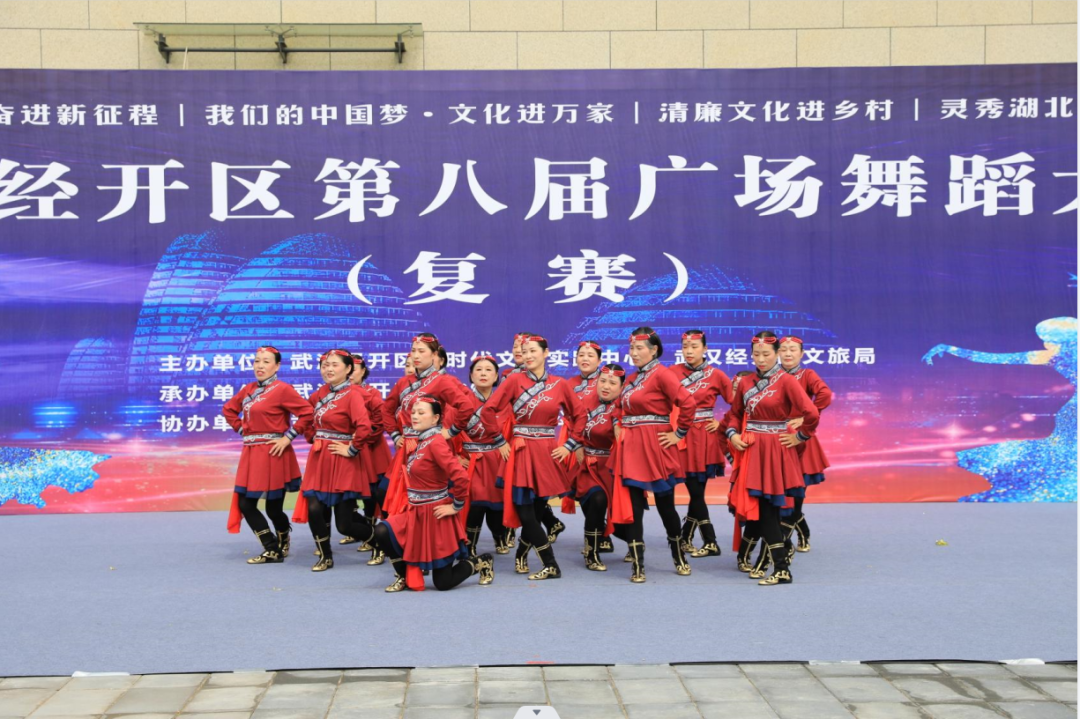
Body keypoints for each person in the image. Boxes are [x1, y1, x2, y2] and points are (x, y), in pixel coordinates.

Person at [479, 335, 586, 580]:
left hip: (547, 452)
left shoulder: (559, 384)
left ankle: (521, 554)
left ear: (546, 353)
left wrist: (569, 445)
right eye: (524, 351)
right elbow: (488, 411)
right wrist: (499, 441)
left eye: (533, 351)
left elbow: (580, 415)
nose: (527, 356)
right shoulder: (514, 380)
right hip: (521, 452)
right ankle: (551, 563)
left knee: (536, 513)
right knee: (526, 513)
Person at [724, 332, 820, 586]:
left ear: (776, 354)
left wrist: (800, 436)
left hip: (775, 449)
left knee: (769, 510)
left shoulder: (787, 381)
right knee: (764, 511)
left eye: (766, 354)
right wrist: (733, 434)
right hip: (752, 450)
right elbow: (734, 414)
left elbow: (811, 413)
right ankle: (781, 563)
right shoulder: (746, 382)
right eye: (756, 354)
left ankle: (781, 566)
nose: (761, 359)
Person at [372, 397, 494, 591]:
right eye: (413, 412)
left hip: (436, 515)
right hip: (415, 512)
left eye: (421, 413)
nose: (415, 416)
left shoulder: (436, 442)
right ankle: (403, 576)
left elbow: (461, 477)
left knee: (443, 583)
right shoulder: (422, 440)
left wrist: (456, 506)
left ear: (435, 418)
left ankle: (482, 562)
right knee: (383, 531)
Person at [613, 327, 696, 583]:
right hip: (632, 448)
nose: (634, 353)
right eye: (632, 348)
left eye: (639, 348)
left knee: (665, 505)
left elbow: (688, 403)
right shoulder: (632, 378)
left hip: (656, 446)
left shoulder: (663, 374)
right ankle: (638, 564)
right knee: (634, 507)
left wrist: (679, 433)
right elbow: (617, 407)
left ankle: (678, 554)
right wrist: (617, 424)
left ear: (654, 350)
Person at [223, 346, 314, 564]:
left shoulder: (283, 389)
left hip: (273, 453)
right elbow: (228, 409)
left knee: (273, 508)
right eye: (257, 361)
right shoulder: (248, 389)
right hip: (251, 453)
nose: (260, 366)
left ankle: (283, 538)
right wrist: (242, 429)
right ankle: (272, 547)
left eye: (266, 361)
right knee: (246, 503)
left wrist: (288, 437)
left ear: (277, 366)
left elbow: (307, 412)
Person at [296, 350, 377, 571]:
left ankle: (379, 541)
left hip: (342, 461)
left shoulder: (353, 395)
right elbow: (306, 418)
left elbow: (364, 427)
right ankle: (325, 556)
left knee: (344, 524)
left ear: (348, 369)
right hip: (320, 458)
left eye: (334, 365)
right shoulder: (319, 394)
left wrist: (352, 449)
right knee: (314, 508)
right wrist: (312, 437)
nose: (328, 369)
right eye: (325, 365)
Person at [673, 330, 733, 559]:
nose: (689, 351)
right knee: (695, 491)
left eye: (694, 346)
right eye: (685, 346)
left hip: (704, 438)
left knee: (696, 491)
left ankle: (709, 541)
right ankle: (689, 536)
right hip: (681, 436)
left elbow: (739, 404)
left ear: (705, 349)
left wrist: (722, 424)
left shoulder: (716, 375)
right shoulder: (671, 372)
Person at [778, 336, 832, 554]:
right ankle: (802, 532)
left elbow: (825, 394)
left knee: (797, 493)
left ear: (801, 354)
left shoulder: (807, 375)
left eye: (793, 349)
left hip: (800, 439)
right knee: (779, 494)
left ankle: (783, 543)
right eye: (783, 349)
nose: (788, 353)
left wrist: (808, 415)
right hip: (775, 439)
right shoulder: (771, 375)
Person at [571, 363, 625, 571]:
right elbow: (574, 427)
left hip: (613, 467)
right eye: (602, 381)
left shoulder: (624, 407)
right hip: (587, 464)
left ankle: (634, 544)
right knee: (596, 500)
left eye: (612, 383)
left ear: (621, 387)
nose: (606, 386)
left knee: (622, 517)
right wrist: (577, 445)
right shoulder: (584, 402)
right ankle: (591, 552)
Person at [345, 353, 394, 565]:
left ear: (363, 371)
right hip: (348, 449)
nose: (350, 373)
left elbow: (379, 421)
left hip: (371, 450)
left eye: (354, 369)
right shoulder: (336, 394)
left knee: (372, 493)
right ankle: (360, 530)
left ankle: (376, 535)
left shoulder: (372, 393)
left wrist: (361, 438)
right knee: (349, 492)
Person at [460, 355, 510, 556]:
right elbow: (447, 431)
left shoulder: (505, 403)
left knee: (497, 505)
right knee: (476, 503)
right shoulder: (461, 401)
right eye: (478, 370)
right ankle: (470, 544)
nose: (483, 373)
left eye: (488, 370)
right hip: (471, 461)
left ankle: (499, 535)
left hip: (498, 460)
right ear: (471, 375)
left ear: (496, 376)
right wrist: (456, 457)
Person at [569, 340, 613, 555]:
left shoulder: (606, 381)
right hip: (575, 444)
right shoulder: (569, 384)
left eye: (590, 355)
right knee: (584, 493)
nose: (585, 359)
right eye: (581, 355)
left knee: (601, 496)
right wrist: (575, 444)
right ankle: (599, 535)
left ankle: (603, 536)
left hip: (604, 448)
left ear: (599, 360)